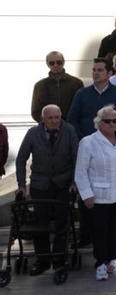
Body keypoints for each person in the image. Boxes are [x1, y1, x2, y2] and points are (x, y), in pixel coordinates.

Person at [74, 105, 116, 281]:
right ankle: (101, 263)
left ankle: (114, 260)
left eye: (115, 121)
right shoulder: (88, 142)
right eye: (108, 121)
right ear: (99, 123)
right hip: (99, 196)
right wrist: (86, 194)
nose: (112, 124)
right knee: (100, 231)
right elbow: (81, 171)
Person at [16, 104, 79, 275]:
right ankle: (42, 260)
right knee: (40, 224)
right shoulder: (33, 133)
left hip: (62, 183)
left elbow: (77, 157)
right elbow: (21, 158)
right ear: (43, 119)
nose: (54, 121)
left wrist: (75, 182)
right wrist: (21, 185)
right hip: (40, 184)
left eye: (57, 117)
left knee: (62, 222)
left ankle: (59, 258)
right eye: (50, 118)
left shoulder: (69, 130)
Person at [68, 58, 116, 139]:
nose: (96, 73)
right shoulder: (81, 94)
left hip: (112, 142)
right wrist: (82, 138)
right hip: (86, 142)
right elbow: (72, 119)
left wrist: (114, 137)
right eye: (94, 70)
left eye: (100, 70)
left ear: (109, 73)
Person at [31, 51, 83, 122]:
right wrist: (48, 123)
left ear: (63, 62)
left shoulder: (76, 83)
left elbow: (81, 108)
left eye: (59, 62)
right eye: (52, 63)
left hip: (70, 127)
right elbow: (35, 112)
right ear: (47, 64)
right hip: (47, 128)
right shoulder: (40, 86)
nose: (55, 65)